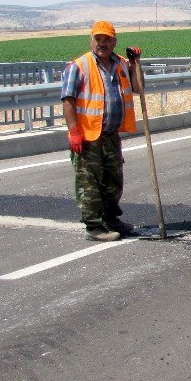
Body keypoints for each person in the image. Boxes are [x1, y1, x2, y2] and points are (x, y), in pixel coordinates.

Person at [61, 21, 141, 242]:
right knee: (90, 182)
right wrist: (74, 131)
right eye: (98, 39)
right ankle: (94, 226)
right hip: (88, 136)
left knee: (113, 179)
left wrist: (135, 64)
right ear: (91, 40)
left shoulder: (121, 64)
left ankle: (111, 219)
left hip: (110, 134)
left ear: (114, 42)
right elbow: (68, 101)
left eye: (107, 39)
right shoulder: (79, 66)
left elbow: (138, 88)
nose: (102, 43)